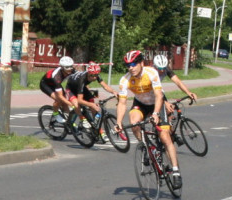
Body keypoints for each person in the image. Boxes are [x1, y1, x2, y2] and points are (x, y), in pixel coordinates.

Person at [113, 50, 184, 189]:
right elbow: (122, 103)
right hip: (140, 104)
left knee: (164, 136)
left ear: (141, 63)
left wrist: (156, 114)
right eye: (128, 65)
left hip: (156, 104)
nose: (130, 67)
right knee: (134, 123)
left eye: (133, 64)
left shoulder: (151, 73)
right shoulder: (125, 80)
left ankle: (175, 172)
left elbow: (159, 95)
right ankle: (145, 145)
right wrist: (118, 122)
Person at [65, 61, 116, 127]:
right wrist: (92, 105)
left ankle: (95, 125)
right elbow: (80, 100)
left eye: (96, 75)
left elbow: (105, 86)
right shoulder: (82, 79)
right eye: (92, 75)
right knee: (76, 103)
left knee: (92, 100)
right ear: (88, 73)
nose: (94, 77)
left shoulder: (95, 74)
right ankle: (82, 120)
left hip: (80, 87)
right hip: (71, 88)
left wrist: (114, 92)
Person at [39, 55, 77, 121]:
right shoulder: (57, 76)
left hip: (56, 84)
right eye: (67, 67)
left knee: (65, 103)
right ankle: (55, 114)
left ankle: (69, 123)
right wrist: (71, 105)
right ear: (62, 67)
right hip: (46, 85)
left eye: (71, 66)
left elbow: (80, 79)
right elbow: (60, 96)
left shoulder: (71, 70)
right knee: (59, 100)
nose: (70, 69)